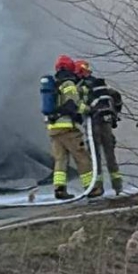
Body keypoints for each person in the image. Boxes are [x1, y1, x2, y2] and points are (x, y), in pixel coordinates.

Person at [47, 55, 103, 200]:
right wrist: (88, 109)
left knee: (61, 159)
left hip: (53, 128)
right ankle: (91, 188)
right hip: (67, 128)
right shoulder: (68, 84)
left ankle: (59, 189)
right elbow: (74, 103)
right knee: (82, 157)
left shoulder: (54, 83)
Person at [75, 59, 124, 195]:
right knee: (110, 155)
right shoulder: (100, 84)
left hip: (93, 124)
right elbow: (116, 96)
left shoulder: (82, 87)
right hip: (107, 123)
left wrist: (81, 115)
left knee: (94, 157)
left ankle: (98, 187)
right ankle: (118, 186)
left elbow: (78, 105)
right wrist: (115, 115)